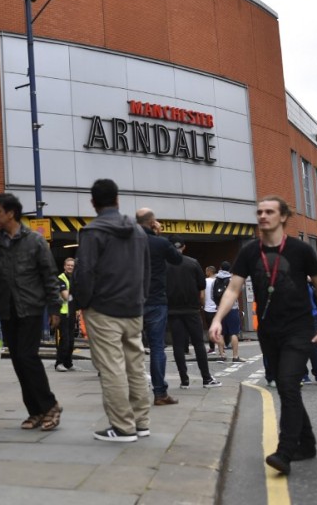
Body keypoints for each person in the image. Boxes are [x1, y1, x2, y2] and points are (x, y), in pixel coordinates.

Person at [210, 195, 317, 476]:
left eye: (269, 212)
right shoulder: (250, 252)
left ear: (283, 217)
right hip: (269, 330)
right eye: (260, 212)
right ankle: (308, 442)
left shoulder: (301, 250)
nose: (263, 216)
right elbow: (233, 289)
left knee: (289, 383)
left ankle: (285, 451)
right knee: (284, 383)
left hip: (300, 328)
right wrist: (217, 318)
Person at [73, 179, 151, 442]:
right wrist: (141, 299)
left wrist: (82, 303)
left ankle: (122, 427)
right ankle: (141, 423)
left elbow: (84, 273)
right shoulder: (139, 232)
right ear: (117, 200)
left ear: (93, 203)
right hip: (134, 308)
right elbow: (146, 270)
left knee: (112, 368)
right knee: (135, 366)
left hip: (104, 310)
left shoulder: (92, 232)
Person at [0, 192, 63, 432]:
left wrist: (55, 308)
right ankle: (35, 411)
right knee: (18, 361)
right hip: (7, 311)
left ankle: (50, 405)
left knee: (28, 357)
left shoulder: (34, 241)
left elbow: (49, 276)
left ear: (11, 213)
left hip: (30, 308)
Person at [135, 208, 182, 406]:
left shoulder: (128, 241)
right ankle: (160, 394)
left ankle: (133, 393)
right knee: (156, 347)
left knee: (130, 348)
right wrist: (159, 235)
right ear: (153, 222)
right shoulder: (160, 242)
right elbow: (177, 259)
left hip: (132, 301)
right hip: (156, 300)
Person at [166, 235, 221, 390]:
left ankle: (184, 380)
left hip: (173, 310)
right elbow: (201, 286)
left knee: (178, 345)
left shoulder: (163, 264)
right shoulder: (192, 263)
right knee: (198, 344)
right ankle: (206, 379)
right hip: (192, 310)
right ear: (183, 247)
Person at [214, 262, 243, 363]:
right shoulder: (232, 279)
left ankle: (222, 355)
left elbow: (213, 296)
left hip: (220, 309)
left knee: (220, 333)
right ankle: (235, 356)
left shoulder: (215, 280)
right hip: (232, 308)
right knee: (234, 333)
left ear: (220, 268)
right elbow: (238, 292)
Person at [55, 257, 76, 372]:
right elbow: (66, 296)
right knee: (65, 340)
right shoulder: (61, 279)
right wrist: (75, 292)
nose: (70, 267)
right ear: (64, 266)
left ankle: (68, 363)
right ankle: (59, 363)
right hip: (62, 313)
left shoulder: (73, 279)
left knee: (71, 340)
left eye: (72, 266)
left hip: (71, 313)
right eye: (68, 265)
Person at [203, 265, 226, 360]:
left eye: (206, 271)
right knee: (220, 329)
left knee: (210, 328)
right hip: (219, 308)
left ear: (209, 272)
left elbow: (202, 294)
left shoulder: (205, 281)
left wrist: (203, 304)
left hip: (208, 308)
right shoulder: (219, 280)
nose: (205, 273)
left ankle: (212, 348)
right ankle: (222, 349)